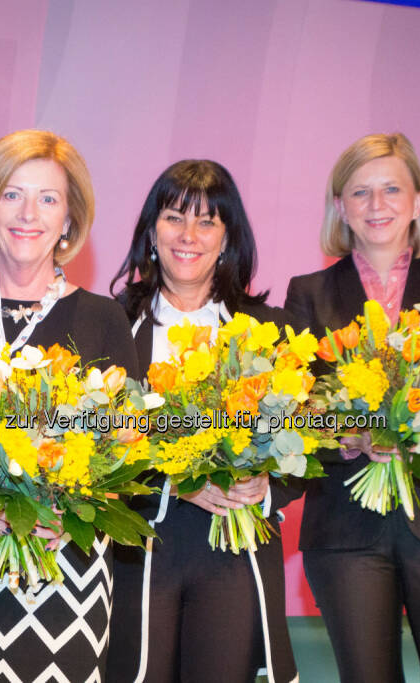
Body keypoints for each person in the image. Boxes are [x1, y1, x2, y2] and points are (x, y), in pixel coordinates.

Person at [0, 129, 138, 682]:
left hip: (69, 572)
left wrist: (72, 505)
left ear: (68, 220)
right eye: (12, 194)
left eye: (48, 198)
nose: (28, 213)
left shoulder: (103, 317)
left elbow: (133, 444)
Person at [284, 132, 420, 683]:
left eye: (391, 190)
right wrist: (346, 435)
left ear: (417, 201)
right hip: (346, 534)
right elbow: (293, 411)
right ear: (340, 207)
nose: (376, 206)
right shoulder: (307, 292)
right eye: (360, 193)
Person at [107, 159, 298, 683]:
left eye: (208, 221)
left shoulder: (268, 329)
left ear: (228, 237)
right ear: (151, 230)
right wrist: (174, 481)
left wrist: (263, 487)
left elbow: (308, 443)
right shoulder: (112, 325)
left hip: (233, 548)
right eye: (174, 217)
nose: (189, 235)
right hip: (138, 545)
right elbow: (91, 443)